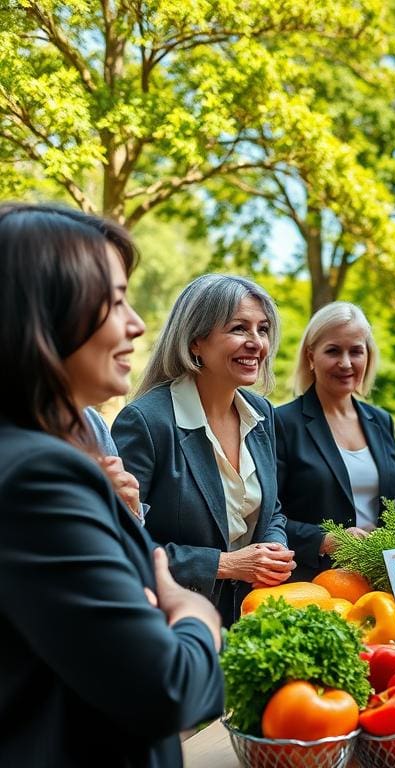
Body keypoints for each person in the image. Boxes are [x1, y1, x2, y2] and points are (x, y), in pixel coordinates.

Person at [0, 203, 223, 767]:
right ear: (48, 309)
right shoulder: (36, 477)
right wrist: (195, 615)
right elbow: (165, 689)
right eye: (115, 299)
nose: (138, 325)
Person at [113, 274, 294, 626]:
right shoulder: (146, 422)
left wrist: (272, 547)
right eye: (240, 328)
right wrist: (226, 565)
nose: (256, 343)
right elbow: (123, 544)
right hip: (175, 625)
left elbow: (271, 512)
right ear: (196, 342)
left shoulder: (262, 414)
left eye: (263, 329)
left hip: (256, 617)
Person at [276, 301, 395, 581]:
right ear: (311, 357)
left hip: (381, 579)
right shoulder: (282, 423)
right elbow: (266, 518)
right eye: (333, 351)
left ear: (368, 356)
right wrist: (324, 539)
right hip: (313, 584)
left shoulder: (381, 421)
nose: (346, 363)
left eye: (356, 351)